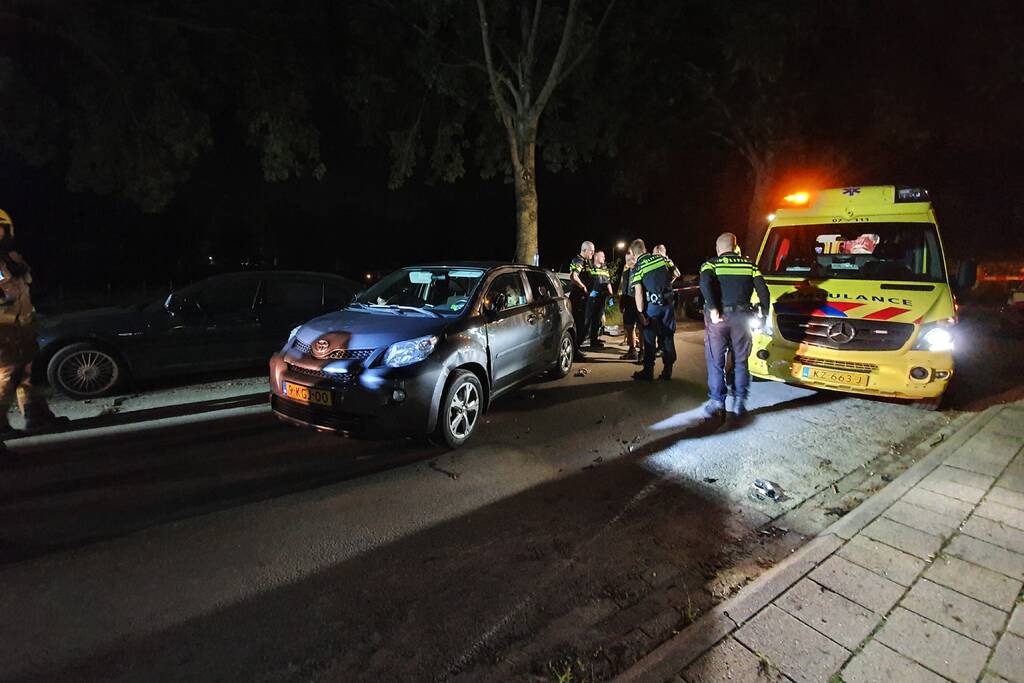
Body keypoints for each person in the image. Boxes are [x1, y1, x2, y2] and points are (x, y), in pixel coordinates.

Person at [0, 210, 66, 441]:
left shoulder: (12, 259)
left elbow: (24, 290)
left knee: (30, 373)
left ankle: (36, 414)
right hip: (4, 330)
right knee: (7, 376)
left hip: (22, 327)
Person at [699, 232, 771, 418]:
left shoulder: (711, 264)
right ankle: (740, 402)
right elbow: (764, 292)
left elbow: (705, 282)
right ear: (735, 247)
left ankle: (717, 402)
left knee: (716, 361)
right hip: (742, 318)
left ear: (718, 248)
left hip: (719, 320)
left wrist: (714, 308)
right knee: (741, 361)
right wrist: (763, 316)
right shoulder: (750, 265)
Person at [629, 239, 677, 381]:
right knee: (668, 336)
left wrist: (641, 313)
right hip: (668, 306)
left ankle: (648, 371)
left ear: (633, 253)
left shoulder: (637, 268)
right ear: (645, 249)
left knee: (649, 338)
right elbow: (675, 273)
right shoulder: (661, 259)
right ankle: (667, 371)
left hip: (653, 307)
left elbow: (638, 293)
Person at [568, 241, 595, 358]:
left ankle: (576, 349)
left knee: (584, 324)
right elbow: (573, 276)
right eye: (591, 251)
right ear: (584, 250)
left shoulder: (585, 261)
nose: (593, 253)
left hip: (584, 298)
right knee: (580, 324)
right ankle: (575, 351)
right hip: (579, 298)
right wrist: (583, 286)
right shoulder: (578, 260)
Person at [584, 250, 614, 348]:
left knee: (597, 320)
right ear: (596, 257)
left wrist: (611, 294)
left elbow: (608, 282)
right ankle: (582, 340)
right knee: (588, 320)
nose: (604, 258)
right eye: (602, 256)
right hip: (592, 298)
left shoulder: (605, 269)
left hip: (602, 298)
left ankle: (594, 340)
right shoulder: (590, 268)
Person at [618, 252, 640, 360]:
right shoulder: (626, 272)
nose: (628, 262)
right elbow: (623, 288)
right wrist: (622, 303)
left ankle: (643, 353)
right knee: (629, 326)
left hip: (640, 302)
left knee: (641, 328)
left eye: (631, 259)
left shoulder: (641, 270)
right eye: (627, 260)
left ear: (635, 259)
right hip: (629, 302)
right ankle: (632, 351)